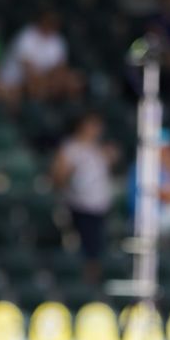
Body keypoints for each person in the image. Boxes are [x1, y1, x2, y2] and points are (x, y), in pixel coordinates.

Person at [51, 114, 114, 277]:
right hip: (79, 206)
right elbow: (58, 177)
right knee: (84, 250)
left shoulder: (98, 149)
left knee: (97, 248)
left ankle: (93, 277)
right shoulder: (71, 148)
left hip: (99, 206)